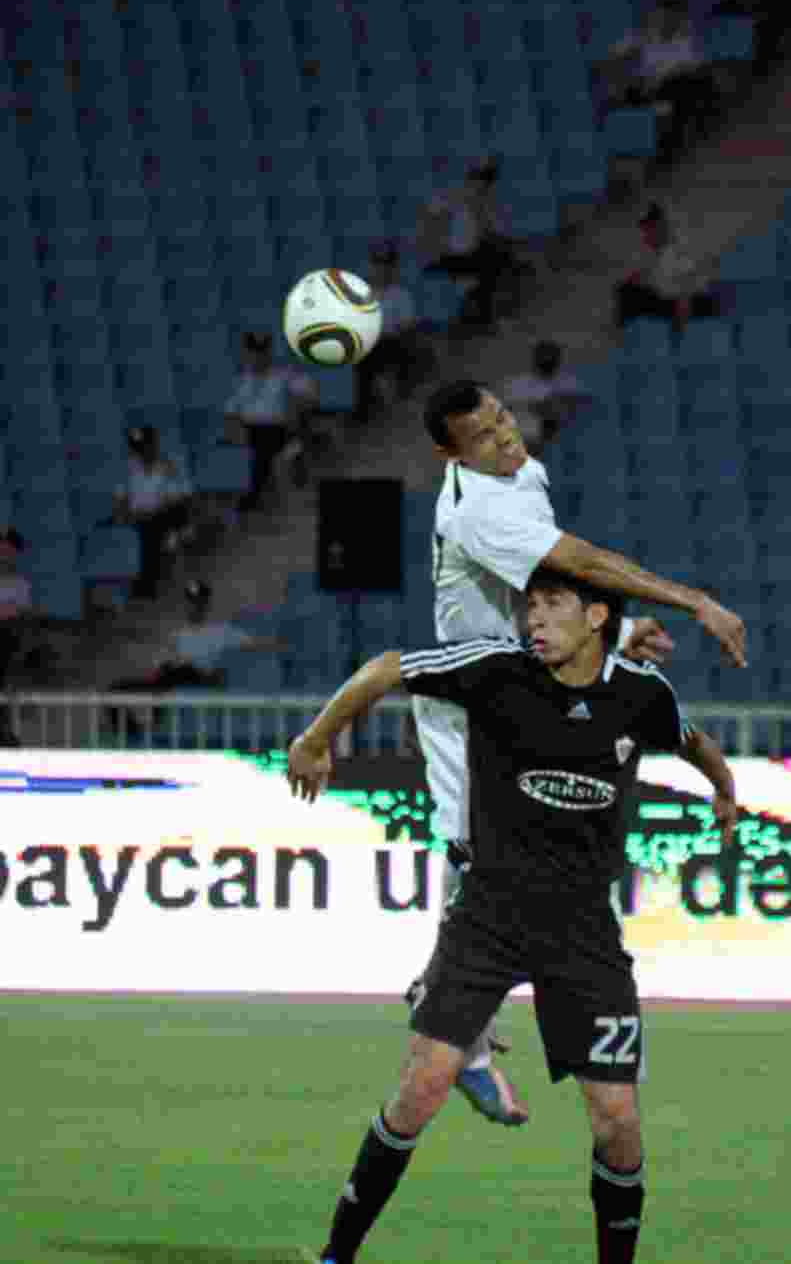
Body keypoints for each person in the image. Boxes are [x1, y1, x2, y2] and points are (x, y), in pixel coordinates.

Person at [287, 566, 739, 1264]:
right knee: (421, 1089)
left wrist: (725, 789)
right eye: (529, 606)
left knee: (617, 1120)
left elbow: (691, 739)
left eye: (551, 605)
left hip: (585, 932)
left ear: (596, 617)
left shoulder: (640, 694)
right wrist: (317, 738)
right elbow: (383, 668)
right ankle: (335, 1256)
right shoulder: (495, 668)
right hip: (487, 917)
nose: (534, 620)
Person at [399, 379, 746, 1127]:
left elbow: (542, 590)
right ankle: (465, 1034)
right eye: (484, 436)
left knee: (516, 859)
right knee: (479, 857)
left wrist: (610, 636)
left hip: (527, 680)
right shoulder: (477, 511)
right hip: (473, 702)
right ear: (449, 455)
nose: (505, 437)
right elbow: (578, 560)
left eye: (501, 418)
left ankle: (447, 1002)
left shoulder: (519, 474)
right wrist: (690, 600)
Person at [105, 579, 286, 733]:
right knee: (116, 689)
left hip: (203, 677)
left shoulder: (222, 631)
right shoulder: (178, 634)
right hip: (173, 676)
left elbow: (257, 645)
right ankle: (134, 731)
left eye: (199, 601)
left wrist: (282, 643)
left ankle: (155, 723)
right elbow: (163, 663)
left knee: (180, 672)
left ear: (207, 603)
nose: (195, 606)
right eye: (191, 601)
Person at [599, 0, 720, 159]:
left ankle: (667, 148)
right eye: (660, 17)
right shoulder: (647, 34)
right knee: (623, 91)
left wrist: (660, 78)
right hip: (648, 85)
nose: (663, 20)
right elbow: (616, 51)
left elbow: (689, 65)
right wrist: (618, 57)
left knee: (680, 86)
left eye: (669, 16)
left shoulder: (685, 37)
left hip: (672, 85)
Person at [417, 157, 527, 330]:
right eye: (479, 177)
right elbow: (430, 219)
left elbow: (494, 232)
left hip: (470, 255)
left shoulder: (487, 203)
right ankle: (479, 315)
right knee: (490, 264)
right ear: (470, 178)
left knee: (502, 257)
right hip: (450, 256)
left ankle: (485, 315)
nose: (483, 183)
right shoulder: (454, 197)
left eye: (487, 179)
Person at [354, 240, 434, 424]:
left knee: (399, 348)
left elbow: (406, 327)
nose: (380, 269)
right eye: (377, 264)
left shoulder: (401, 294)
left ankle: (400, 399)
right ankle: (365, 415)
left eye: (384, 265)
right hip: (370, 344)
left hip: (393, 343)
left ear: (391, 268)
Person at [113, 425, 193, 599]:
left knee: (159, 524)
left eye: (147, 446)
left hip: (158, 514)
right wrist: (125, 518)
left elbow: (175, 499)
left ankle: (146, 586)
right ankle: (144, 585)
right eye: (138, 448)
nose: (143, 451)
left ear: (154, 445)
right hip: (135, 516)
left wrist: (155, 511)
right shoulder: (126, 468)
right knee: (147, 531)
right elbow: (119, 499)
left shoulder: (166, 467)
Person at [224, 331, 302, 512]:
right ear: (247, 354)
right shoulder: (241, 380)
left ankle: (253, 497)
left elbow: (305, 396)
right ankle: (252, 495)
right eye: (253, 352)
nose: (257, 357)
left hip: (276, 429)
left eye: (261, 352)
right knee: (256, 448)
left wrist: (296, 405)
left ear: (268, 353)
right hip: (248, 430)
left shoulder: (283, 375)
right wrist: (234, 432)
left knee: (262, 449)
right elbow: (230, 413)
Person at [614, 203, 718, 328]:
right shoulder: (662, 251)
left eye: (648, 232)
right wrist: (642, 278)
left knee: (629, 293)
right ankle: (630, 331)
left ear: (660, 228)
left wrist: (681, 322)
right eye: (644, 233)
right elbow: (663, 278)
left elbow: (687, 284)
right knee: (627, 289)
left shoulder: (678, 248)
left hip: (694, 305)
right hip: (674, 301)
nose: (645, 238)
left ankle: (631, 332)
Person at [498, 340, 592, 455]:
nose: (547, 360)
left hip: (565, 442)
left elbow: (583, 410)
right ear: (535, 359)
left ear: (558, 359)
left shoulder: (572, 384)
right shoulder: (516, 386)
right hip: (527, 442)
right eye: (543, 357)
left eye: (551, 357)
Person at [0, 528, 32, 746]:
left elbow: (17, 612)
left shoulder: (20, 583)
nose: (4, 555)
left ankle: (7, 736)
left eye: (8, 552)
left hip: (6, 638)